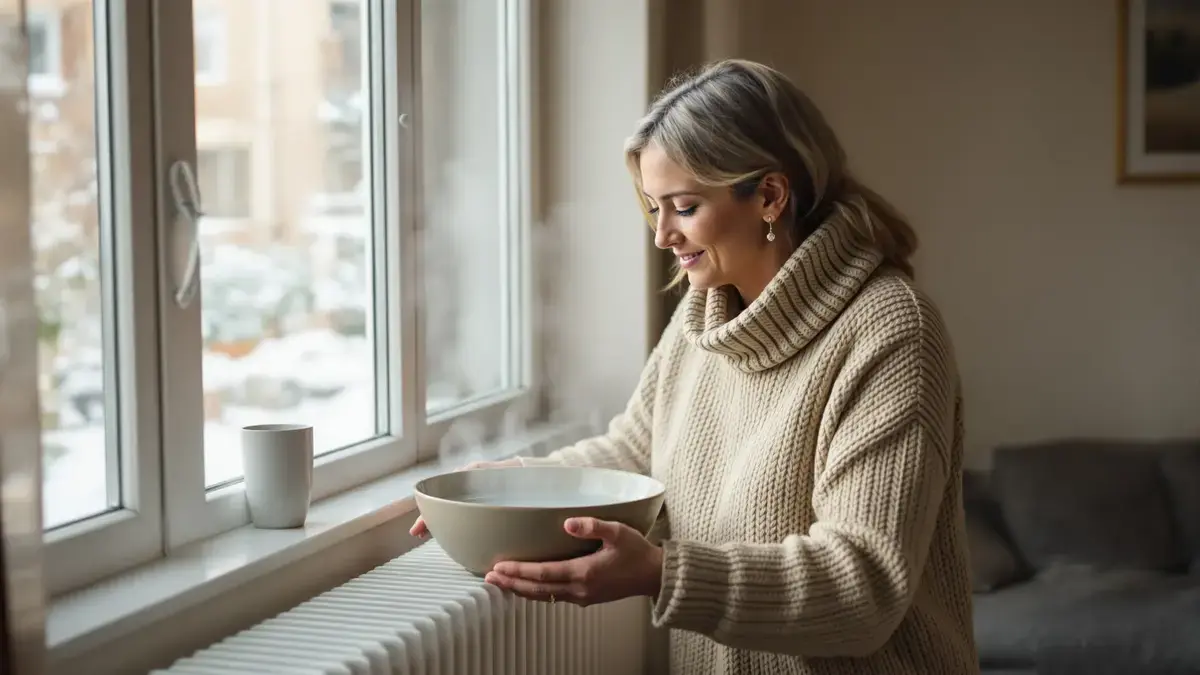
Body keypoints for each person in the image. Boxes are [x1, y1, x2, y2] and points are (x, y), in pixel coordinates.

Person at [410, 58, 979, 674]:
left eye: (683, 207)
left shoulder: (892, 331)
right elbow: (637, 453)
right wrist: (513, 487)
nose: (662, 236)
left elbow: (863, 588)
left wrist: (662, 574)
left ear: (769, 196)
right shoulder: (706, 313)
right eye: (654, 208)